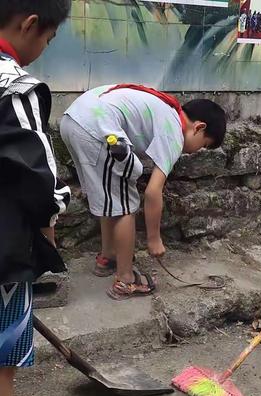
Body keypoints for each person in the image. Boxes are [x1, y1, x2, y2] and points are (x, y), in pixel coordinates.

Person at [60, 86, 227, 300]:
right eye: (203, 145)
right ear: (198, 127)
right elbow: (152, 192)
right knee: (126, 205)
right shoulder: (174, 130)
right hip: (98, 128)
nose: (196, 151)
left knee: (110, 196)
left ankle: (108, 256)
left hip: (73, 120)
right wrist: (154, 238)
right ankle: (125, 279)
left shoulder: (165, 109)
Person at [0, 0, 71, 396]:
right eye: (47, 39)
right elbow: (39, 178)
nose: (43, 49)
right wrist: (51, 219)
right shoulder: (14, 85)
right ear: (30, 24)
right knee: (1, 351)